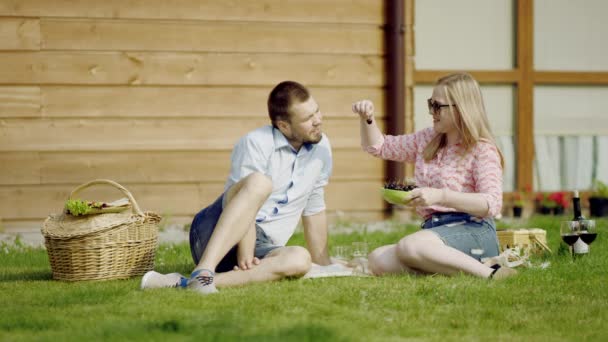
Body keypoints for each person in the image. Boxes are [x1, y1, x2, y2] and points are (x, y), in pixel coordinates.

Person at [141, 81, 332, 294]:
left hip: (265, 245)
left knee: (299, 260)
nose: (318, 120)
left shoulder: (321, 148)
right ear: (284, 126)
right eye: (308, 118)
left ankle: (187, 282)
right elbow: (243, 198)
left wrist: (324, 265)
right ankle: (205, 269)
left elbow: (314, 206)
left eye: (317, 111)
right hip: (215, 230)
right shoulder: (256, 142)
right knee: (260, 182)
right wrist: (245, 251)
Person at [351, 72, 516, 279]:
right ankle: (457, 268)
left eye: (438, 106)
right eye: (431, 104)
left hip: (474, 230)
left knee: (410, 246)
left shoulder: (482, 150)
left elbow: (492, 203)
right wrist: (367, 120)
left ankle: (490, 274)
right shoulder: (428, 139)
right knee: (378, 259)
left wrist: (441, 196)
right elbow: (380, 146)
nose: (432, 111)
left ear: (461, 108)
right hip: (435, 231)